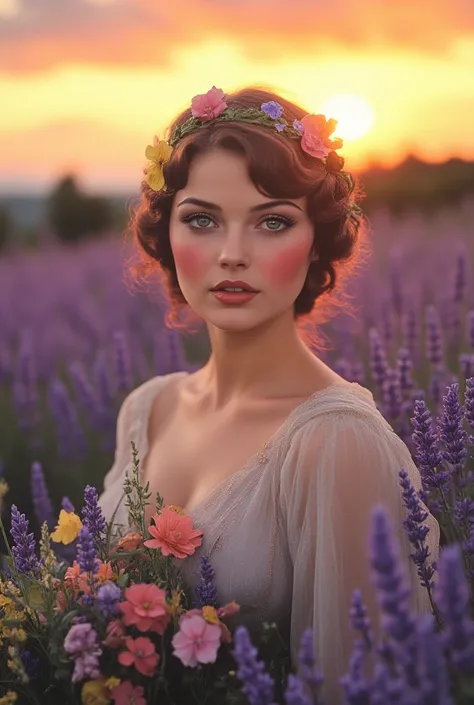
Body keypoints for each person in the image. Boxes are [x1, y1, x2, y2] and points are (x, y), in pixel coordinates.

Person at [98, 85, 440, 704]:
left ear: (315, 246)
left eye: (273, 221)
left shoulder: (336, 443)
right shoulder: (147, 410)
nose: (232, 255)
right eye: (201, 219)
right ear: (167, 238)